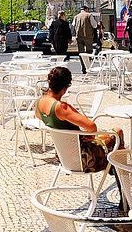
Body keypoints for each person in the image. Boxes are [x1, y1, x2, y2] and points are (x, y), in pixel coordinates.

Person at [36, 66, 124, 194]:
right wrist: (91, 136)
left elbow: (39, 116)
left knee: (109, 138)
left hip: (62, 155)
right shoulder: (61, 108)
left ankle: (115, 170)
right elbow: (91, 127)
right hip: (83, 159)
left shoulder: (39, 102)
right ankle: (123, 187)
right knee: (118, 132)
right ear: (65, 88)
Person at [72, 5, 96, 72]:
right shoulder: (89, 15)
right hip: (88, 36)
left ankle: (83, 67)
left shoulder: (76, 16)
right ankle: (88, 67)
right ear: (87, 9)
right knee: (89, 52)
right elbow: (94, 25)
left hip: (79, 37)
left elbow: (73, 26)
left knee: (81, 53)